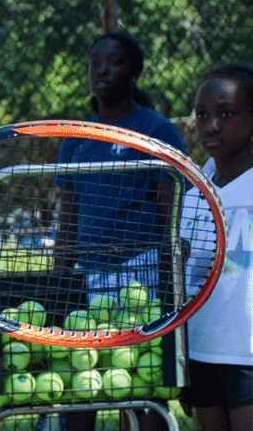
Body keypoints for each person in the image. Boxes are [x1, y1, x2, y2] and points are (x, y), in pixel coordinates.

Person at [51, 32, 187, 431]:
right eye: (95, 62)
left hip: (139, 275)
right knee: (83, 390)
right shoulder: (76, 134)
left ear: (134, 73)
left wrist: (165, 279)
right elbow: (68, 220)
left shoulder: (157, 130)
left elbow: (172, 215)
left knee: (141, 391)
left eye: (114, 62)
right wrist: (59, 280)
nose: (102, 70)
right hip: (88, 277)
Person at [179, 63, 253, 431]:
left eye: (227, 113)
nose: (212, 125)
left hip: (247, 357)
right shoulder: (193, 195)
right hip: (201, 353)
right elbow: (187, 282)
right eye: (203, 114)